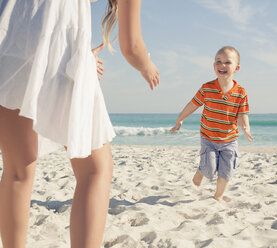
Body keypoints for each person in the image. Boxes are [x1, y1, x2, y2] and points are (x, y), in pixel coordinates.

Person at [0, 0, 159, 247]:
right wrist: (147, 66)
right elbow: (132, 46)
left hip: (6, 37)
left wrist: (81, 54)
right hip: (58, 45)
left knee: (17, 171)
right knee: (95, 171)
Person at [171, 46, 252, 202]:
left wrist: (246, 128)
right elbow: (192, 104)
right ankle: (200, 172)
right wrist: (180, 119)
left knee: (226, 170)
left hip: (230, 140)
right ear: (214, 65)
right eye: (218, 61)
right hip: (209, 138)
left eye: (227, 62)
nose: (222, 65)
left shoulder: (241, 92)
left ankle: (219, 195)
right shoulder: (207, 88)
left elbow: (242, 114)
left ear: (237, 68)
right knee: (209, 167)